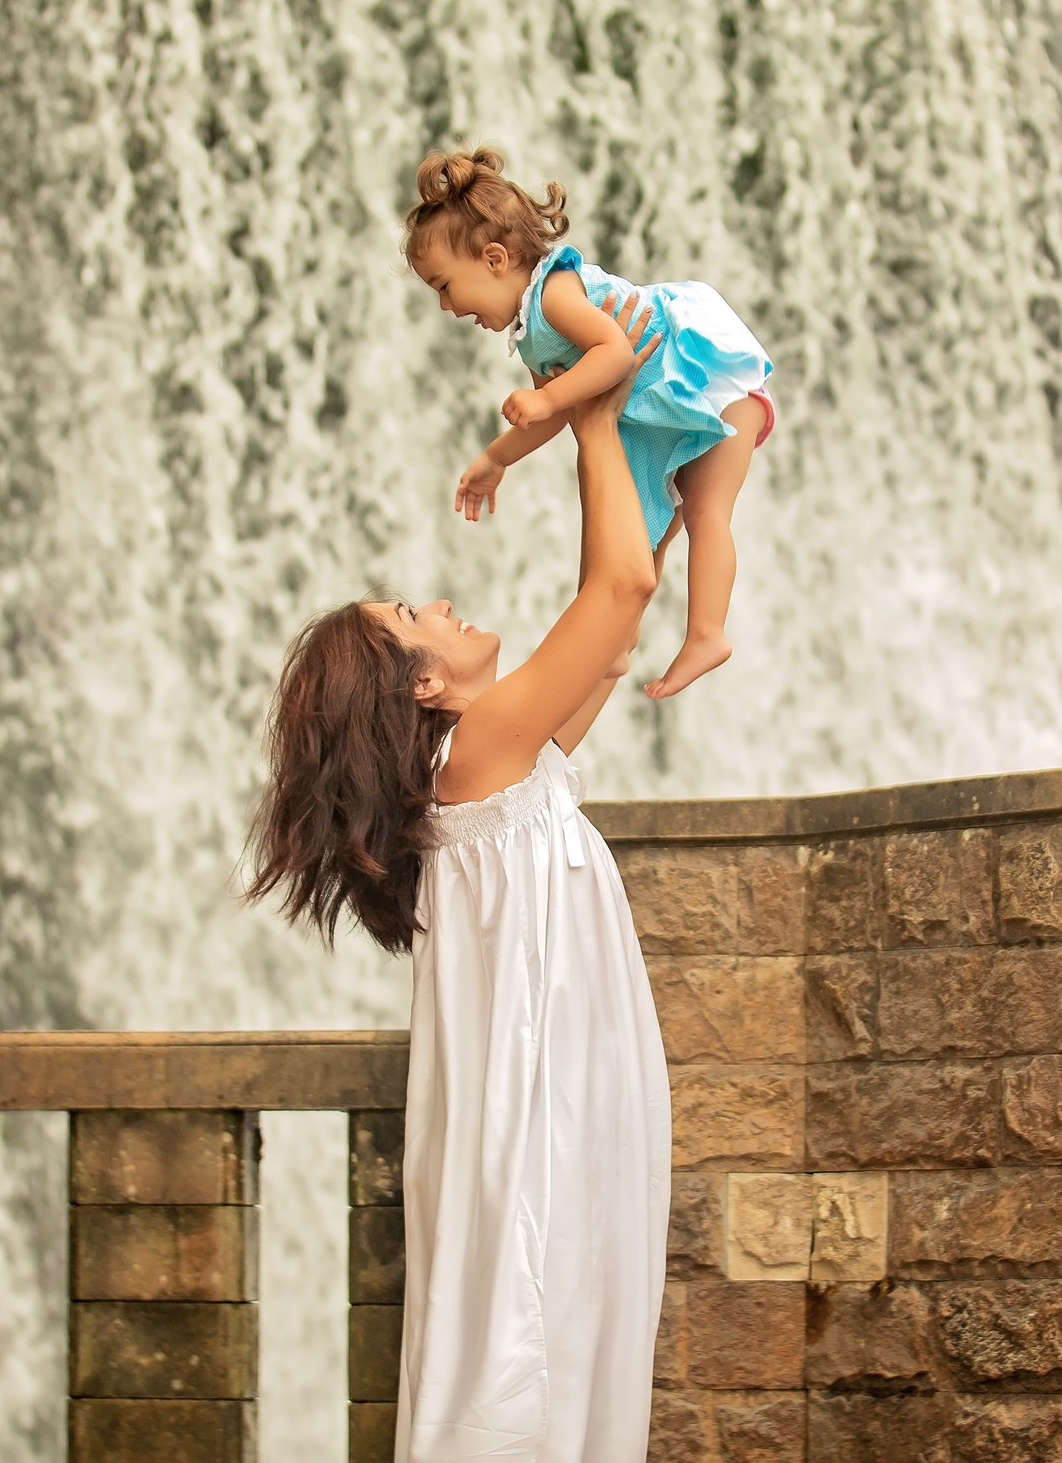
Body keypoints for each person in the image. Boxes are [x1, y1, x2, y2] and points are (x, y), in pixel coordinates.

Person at [245, 296, 672, 1463]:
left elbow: (619, 619)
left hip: (564, 1095)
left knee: (565, 1336)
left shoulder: (495, 754)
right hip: (550, 1112)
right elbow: (619, 596)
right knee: (538, 1339)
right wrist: (592, 397)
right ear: (421, 687)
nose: (440, 601)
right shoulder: (476, 760)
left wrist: (654, 473)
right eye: (412, 615)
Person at [409, 147, 774, 699]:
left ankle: (707, 634)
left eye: (443, 285)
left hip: (708, 386)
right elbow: (551, 419)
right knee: (630, 531)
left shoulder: (555, 294)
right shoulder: (532, 332)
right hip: (659, 415)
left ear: (494, 259)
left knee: (706, 512)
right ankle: (616, 642)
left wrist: (549, 398)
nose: (444, 306)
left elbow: (617, 354)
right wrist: (495, 457)